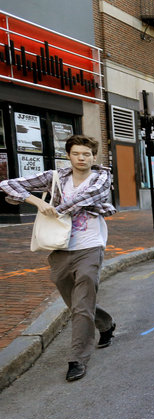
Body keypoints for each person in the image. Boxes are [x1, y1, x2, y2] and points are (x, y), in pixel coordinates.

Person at [0, 135, 116, 382]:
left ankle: (77, 359)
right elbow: (8, 184)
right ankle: (105, 324)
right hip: (60, 247)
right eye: (76, 154)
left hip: (90, 245)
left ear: (94, 156)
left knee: (82, 303)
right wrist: (34, 201)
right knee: (75, 303)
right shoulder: (57, 177)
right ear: (69, 155)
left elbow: (87, 198)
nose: (81, 158)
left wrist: (56, 209)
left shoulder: (102, 176)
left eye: (86, 154)